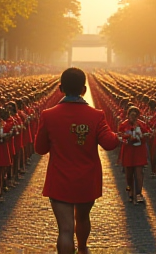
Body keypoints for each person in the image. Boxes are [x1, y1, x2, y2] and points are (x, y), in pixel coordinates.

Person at [35, 67, 119, 254]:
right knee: (82, 218)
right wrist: (119, 134)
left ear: (60, 88)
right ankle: (82, 249)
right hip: (86, 179)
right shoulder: (97, 116)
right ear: (84, 90)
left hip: (59, 179)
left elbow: (40, 149)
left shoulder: (48, 115)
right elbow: (109, 143)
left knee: (65, 230)